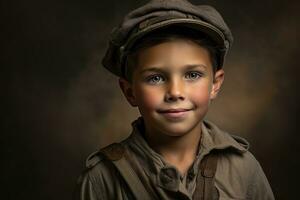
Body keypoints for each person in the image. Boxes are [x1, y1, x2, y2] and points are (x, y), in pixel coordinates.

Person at [75, 0, 275, 199]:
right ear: (129, 92)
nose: (175, 92)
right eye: (156, 78)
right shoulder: (101, 179)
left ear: (215, 84)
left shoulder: (243, 169)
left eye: (193, 75)